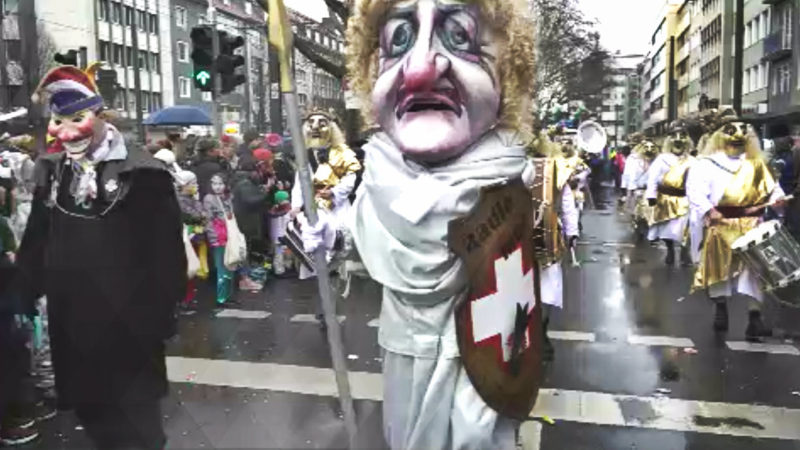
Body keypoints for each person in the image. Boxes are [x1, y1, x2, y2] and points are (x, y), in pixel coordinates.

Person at [304, 1, 537, 448]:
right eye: (399, 41)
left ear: (509, 69)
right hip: (403, 352)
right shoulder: (378, 175)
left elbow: (506, 325)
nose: (419, 70)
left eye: (460, 37)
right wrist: (332, 234)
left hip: (471, 362)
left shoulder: (506, 186)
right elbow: (369, 235)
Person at [16, 65, 186, 449]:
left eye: (77, 118)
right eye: (59, 121)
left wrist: (161, 317)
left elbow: (166, 253)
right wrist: (21, 292)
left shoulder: (144, 173)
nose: (68, 131)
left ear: (100, 116)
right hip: (74, 322)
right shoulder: (53, 172)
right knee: (93, 418)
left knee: (138, 428)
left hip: (130, 326)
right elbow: (37, 239)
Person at [685, 108, 786, 342]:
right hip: (721, 227)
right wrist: (710, 211)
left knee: (756, 272)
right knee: (720, 272)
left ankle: (754, 318)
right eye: (731, 130)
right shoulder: (706, 164)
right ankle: (720, 308)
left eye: (743, 130)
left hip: (752, 226)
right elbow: (695, 191)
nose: (738, 135)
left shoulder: (757, 164)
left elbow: (773, 191)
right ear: (720, 134)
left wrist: (777, 201)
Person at [527, 131, 580, 361]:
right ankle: (540, 334)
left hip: (518, 238)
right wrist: (572, 233)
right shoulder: (557, 170)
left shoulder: (510, 168)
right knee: (548, 288)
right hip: (548, 236)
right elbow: (568, 207)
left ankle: (532, 335)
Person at [290, 109, 361, 279]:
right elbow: (299, 182)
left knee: (340, 247)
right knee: (316, 253)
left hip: (337, 208)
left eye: (321, 124)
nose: (315, 128)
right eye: (311, 124)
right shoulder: (304, 155)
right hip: (314, 209)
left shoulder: (343, 153)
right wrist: (296, 206)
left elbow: (350, 179)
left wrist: (334, 193)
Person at [645, 120, 694, 266]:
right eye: (674, 136)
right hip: (665, 199)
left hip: (685, 199)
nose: (678, 140)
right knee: (667, 229)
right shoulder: (662, 159)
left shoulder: (692, 161)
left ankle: (685, 253)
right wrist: (651, 196)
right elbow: (652, 178)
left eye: (682, 136)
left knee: (687, 228)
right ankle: (670, 249)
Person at [204, 173, 236, 307]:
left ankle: (228, 295)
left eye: (220, 183)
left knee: (231, 266)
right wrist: (213, 237)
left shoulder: (228, 197)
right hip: (219, 237)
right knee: (222, 268)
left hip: (230, 235)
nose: (217, 187)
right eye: (214, 184)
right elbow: (208, 220)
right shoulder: (209, 199)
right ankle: (221, 297)